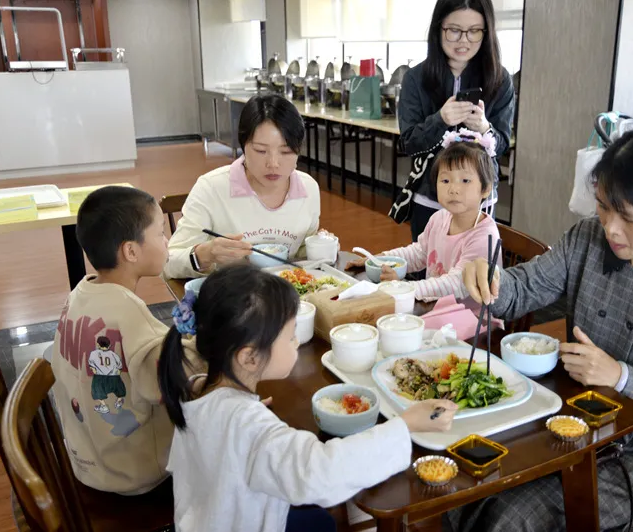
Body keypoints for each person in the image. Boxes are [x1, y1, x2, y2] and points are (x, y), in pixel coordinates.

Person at [453, 125, 633, 531]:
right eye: (605, 207)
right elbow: (527, 286)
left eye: (629, 218)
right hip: (560, 421)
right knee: (463, 480)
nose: (610, 228)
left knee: (510, 516)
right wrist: (489, 277)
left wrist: (621, 377)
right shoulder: (588, 238)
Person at [158, 265, 458, 532]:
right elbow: (320, 473)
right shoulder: (249, 426)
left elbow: (232, 437)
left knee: (319, 521)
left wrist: (244, 413)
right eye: (290, 335)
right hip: (240, 521)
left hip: (211, 516)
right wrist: (406, 425)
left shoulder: (199, 390)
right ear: (249, 357)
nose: (296, 340)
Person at [52, 186, 199, 495]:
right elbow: (176, 376)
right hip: (134, 472)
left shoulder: (80, 293)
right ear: (131, 251)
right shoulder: (127, 312)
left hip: (87, 458)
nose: (167, 241)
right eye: (160, 233)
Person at [164, 94, 320, 280]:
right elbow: (168, 263)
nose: (273, 163)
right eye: (261, 151)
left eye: (286, 152)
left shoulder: (308, 188)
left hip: (287, 294)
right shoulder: (212, 188)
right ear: (243, 145)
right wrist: (205, 254)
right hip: (229, 294)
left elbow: (302, 255)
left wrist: (320, 244)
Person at [347, 136, 501, 323]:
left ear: (486, 189)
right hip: (434, 311)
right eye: (445, 180)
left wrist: (405, 289)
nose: (453, 189)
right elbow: (419, 252)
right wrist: (379, 259)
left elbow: (456, 284)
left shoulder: (485, 236)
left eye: (465, 180)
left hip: (471, 323)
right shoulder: (439, 218)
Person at [398, 0, 515, 241]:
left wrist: (485, 128)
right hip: (431, 198)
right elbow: (409, 143)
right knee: (426, 261)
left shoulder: (500, 79)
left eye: (474, 31)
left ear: (486, 32)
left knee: (475, 263)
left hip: (479, 201)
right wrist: (440, 120)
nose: (464, 40)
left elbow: (503, 144)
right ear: (438, 28)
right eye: (454, 30)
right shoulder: (415, 79)